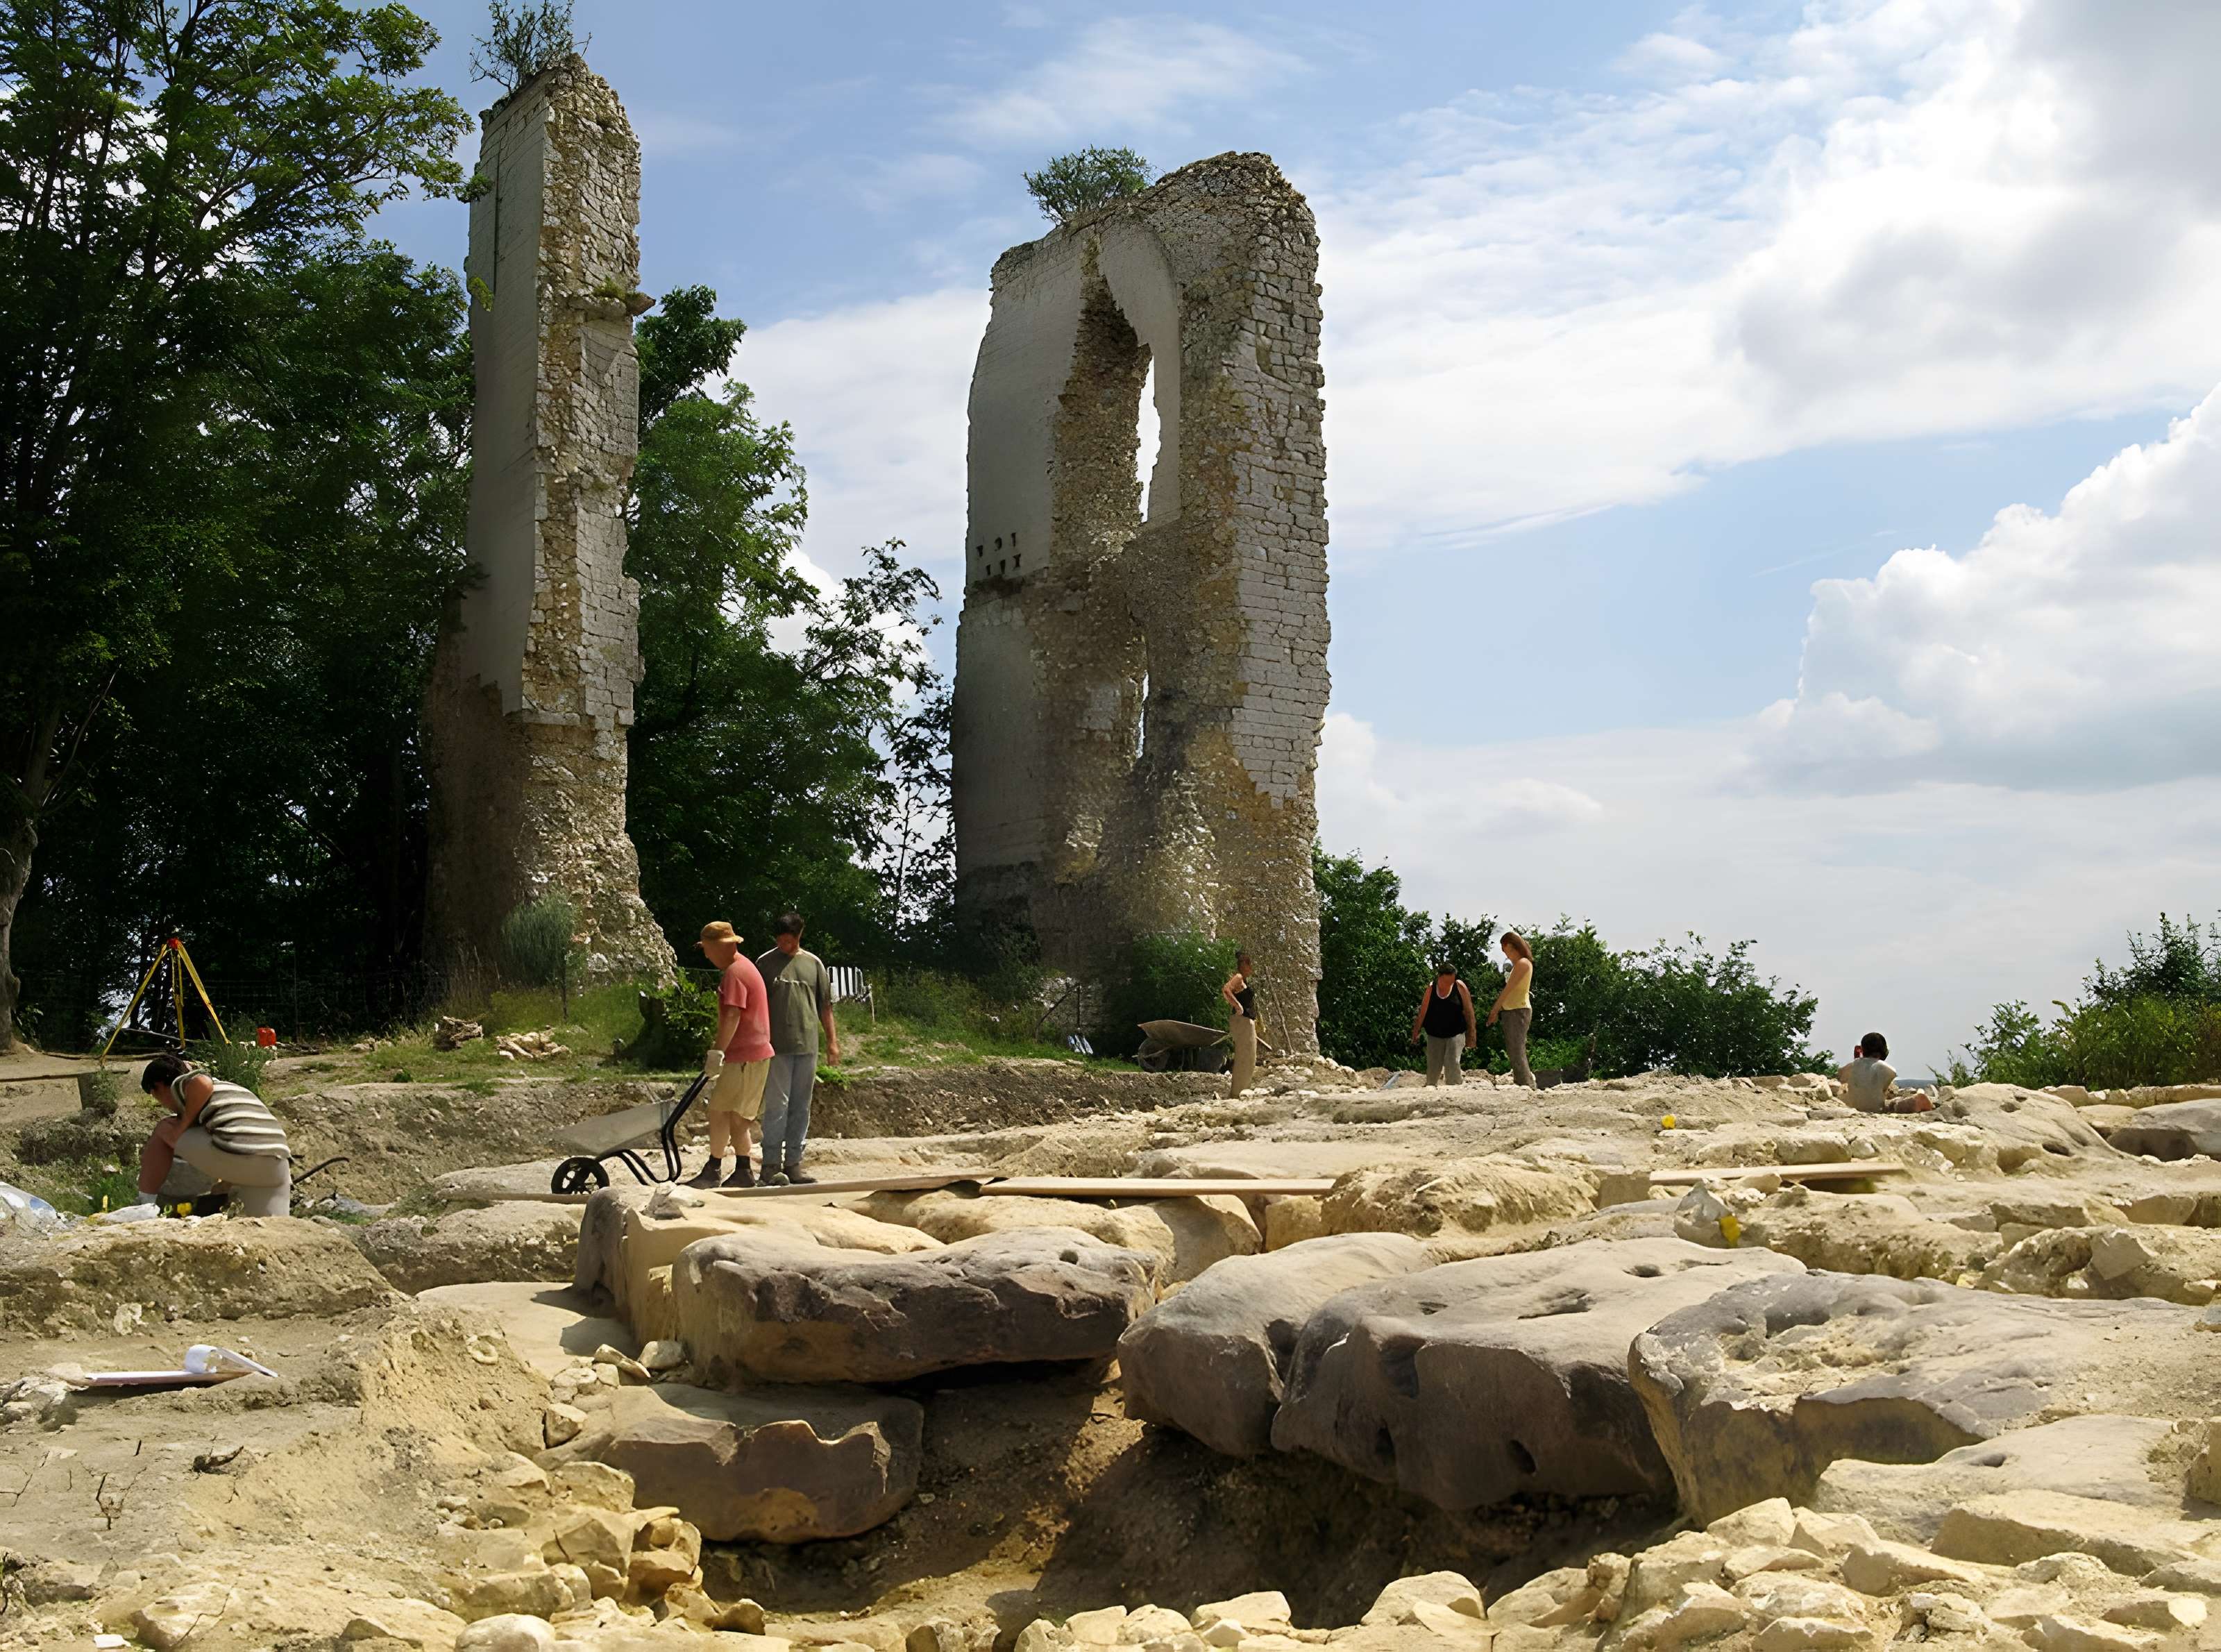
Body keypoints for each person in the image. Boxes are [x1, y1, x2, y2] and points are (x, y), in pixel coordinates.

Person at [135, 1052, 293, 1216]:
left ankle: (145, 1206)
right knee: (271, 1227)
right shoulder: (230, 1090)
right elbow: (239, 1130)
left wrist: (181, 1126)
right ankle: (233, 1184)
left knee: (164, 1128)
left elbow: (201, 1082)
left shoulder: (180, 1085)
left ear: (159, 1087)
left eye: (157, 1098)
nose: (165, 1106)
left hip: (242, 1156)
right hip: (277, 1164)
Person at [756, 911, 839, 1187]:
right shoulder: (765, 963)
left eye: (789, 941)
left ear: (799, 935)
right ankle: (770, 1165)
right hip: (775, 1047)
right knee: (776, 1106)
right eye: (780, 941)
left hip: (808, 1045)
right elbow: (757, 1007)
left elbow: (825, 1006)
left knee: (801, 1106)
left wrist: (832, 1043)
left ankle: (794, 1164)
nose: (784, 946)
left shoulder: (814, 964)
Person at [691, 920, 773, 1187]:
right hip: (741, 1056)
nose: (706, 955)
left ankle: (743, 1172)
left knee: (738, 1118)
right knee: (719, 1111)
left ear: (722, 946)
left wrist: (717, 1052)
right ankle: (714, 1168)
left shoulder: (736, 973)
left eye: (707, 949)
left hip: (748, 1057)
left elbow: (732, 1016)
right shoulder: (740, 968)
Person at [1410, 962, 1478, 1086]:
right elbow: (1423, 1012)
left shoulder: (1459, 987)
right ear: (1439, 977)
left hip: (1456, 1032)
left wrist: (1472, 1035)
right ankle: (1430, 1090)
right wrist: (1416, 1032)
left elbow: (1469, 1012)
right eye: (1446, 982)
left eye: (1451, 981)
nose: (1449, 985)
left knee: (1452, 1062)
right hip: (1435, 1034)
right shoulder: (1431, 988)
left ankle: (1455, 1090)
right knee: (1433, 1066)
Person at [1487, 932, 1537, 1088]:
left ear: (1510, 945)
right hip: (1512, 1011)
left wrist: (1494, 1010)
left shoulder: (1523, 964)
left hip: (1518, 1011)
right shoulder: (1519, 965)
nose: (1503, 951)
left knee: (1517, 1049)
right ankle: (1523, 1082)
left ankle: (1526, 1084)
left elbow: (1507, 991)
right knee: (1514, 1049)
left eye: (1503, 947)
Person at [1839, 1031, 1932, 1113]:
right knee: (1898, 1103)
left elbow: (1848, 1079)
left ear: (1861, 1049)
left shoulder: (1849, 1068)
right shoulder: (1889, 1070)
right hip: (1877, 1110)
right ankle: (1918, 1098)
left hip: (1854, 1108)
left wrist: (1857, 1058)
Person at [1222, 951, 1258, 1097]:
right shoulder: (1238, 977)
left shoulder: (1244, 980)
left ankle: (1241, 1090)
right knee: (1245, 1057)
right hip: (1242, 1021)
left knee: (1248, 1057)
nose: (1251, 968)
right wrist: (1237, 1005)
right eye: (1250, 965)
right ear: (1244, 965)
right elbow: (1226, 989)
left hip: (1246, 1021)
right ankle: (1238, 1093)